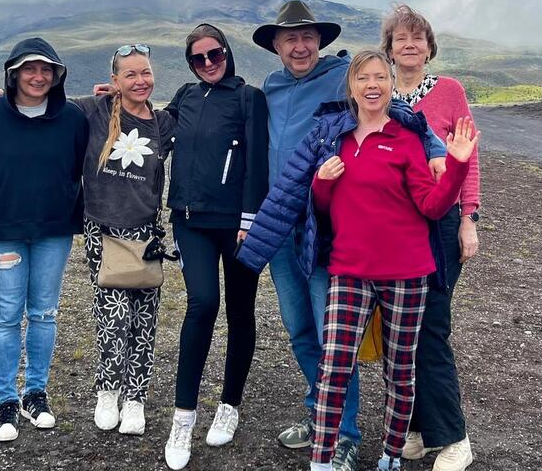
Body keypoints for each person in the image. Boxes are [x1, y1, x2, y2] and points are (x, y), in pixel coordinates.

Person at [242, 50, 480, 471]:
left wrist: (457, 166)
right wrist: (321, 183)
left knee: (399, 371)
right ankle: (322, 460)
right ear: (350, 87)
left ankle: (390, 457)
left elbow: (431, 205)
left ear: (391, 85)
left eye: (380, 78)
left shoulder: (407, 138)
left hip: (406, 273)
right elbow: (323, 208)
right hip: (349, 271)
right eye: (363, 78)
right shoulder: (334, 137)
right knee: (334, 366)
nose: (372, 85)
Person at [0, 38, 88, 444]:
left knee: (44, 313)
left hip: (54, 230)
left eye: (46, 70)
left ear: (57, 75)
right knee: (6, 315)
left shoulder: (72, 118)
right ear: (13, 73)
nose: (38, 77)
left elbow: (78, 165)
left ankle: (35, 394)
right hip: (4, 231)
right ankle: (6, 400)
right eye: (30, 69)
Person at [159, 25, 268, 469]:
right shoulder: (184, 96)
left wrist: (250, 219)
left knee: (240, 311)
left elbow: (257, 160)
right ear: (189, 63)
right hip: (190, 221)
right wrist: (113, 101)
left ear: (227, 52)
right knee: (202, 304)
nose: (208, 63)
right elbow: (150, 129)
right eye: (198, 58)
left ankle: (229, 405)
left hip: (237, 225)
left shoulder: (248, 98)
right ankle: (183, 418)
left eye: (214, 54)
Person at [383, 4, 480, 471]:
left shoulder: (449, 91)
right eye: (401, 38)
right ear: (389, 48)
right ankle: (419, 430)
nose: (409, 45)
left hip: (440, 224)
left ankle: (455, 438)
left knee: (431, 327)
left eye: (417, 38)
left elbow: (469, 158)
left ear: (429, 47)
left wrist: (469, 218)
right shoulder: (379, 93)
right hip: (396, 227)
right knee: (401, 329)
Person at [70, 44, 176, 437]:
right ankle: (108, 391)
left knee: (144, 322)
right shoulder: (93, 111)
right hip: (103, 232)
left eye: (145, 72)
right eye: (130, 74)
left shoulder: (163, 123)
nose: (140, 81)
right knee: (113, 319)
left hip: (146, 233)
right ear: (115, 80)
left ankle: (135, 398)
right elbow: (45, 105)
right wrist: (2, 95)